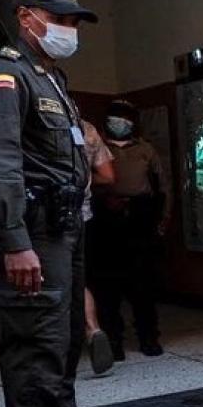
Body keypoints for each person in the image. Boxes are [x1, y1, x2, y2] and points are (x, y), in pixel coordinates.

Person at [0, 0, 122, 407]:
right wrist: (15, 241)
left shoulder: (50, 79)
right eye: (59, 19)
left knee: (64, 337)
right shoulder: (4, 77)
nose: (68, 29)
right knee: (36, 343)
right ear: (26, 16)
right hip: (31, 233)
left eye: (74, 21)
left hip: (62, 229)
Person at [88, 99, 169, 358]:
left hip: (140, 218)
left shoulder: (146, 149)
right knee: (106, 287)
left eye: (125, 117)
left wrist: (162, 220)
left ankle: (149, 338)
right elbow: (85, 183)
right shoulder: (95, 147)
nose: (120, 122)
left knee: (143, 285)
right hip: (104, 221)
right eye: (115, 117)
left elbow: (162, 188)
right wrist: (103, 197)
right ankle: (113, 342)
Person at [79, 117, 115, 375]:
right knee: (80, 281)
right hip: (81, 215)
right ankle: (93, 329)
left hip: (40, 220)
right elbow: (107, 175)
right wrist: (83, 179)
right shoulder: (86, 128)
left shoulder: (25, 119)